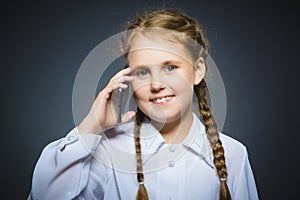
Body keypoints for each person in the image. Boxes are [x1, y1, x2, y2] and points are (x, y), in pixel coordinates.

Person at [28, 9, 258, 200]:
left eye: (170, 67)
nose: (156, 84)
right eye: (143, 72)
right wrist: (91, 126)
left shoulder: (234, 155)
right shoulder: (108, 150)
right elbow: (44, 195)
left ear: (197, 71)